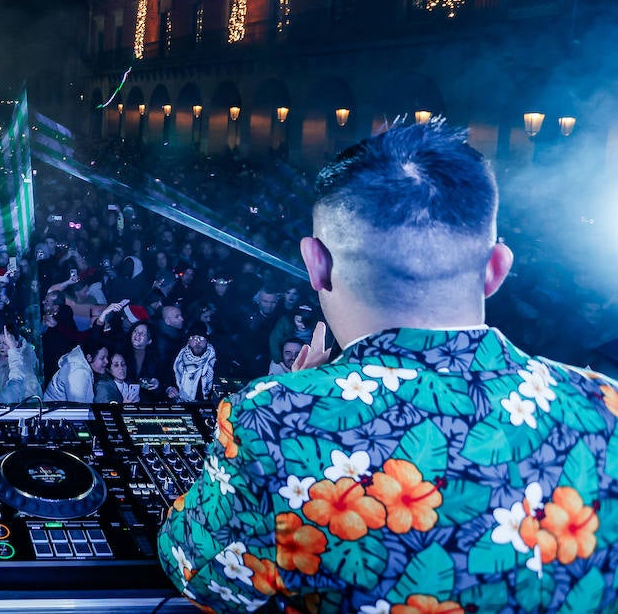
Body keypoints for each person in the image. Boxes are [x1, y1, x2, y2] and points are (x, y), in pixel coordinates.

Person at [157, 120, 618, 613]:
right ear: (496, 268)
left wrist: (291, 402)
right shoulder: (603, 408)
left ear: (316, 264)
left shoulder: (273, 423)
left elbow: (196, 570)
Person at [0, 324, 41, 404]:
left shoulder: (24, 363)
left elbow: (31, 395)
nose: (1, 346)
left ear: (15, 343)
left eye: (5, 343)